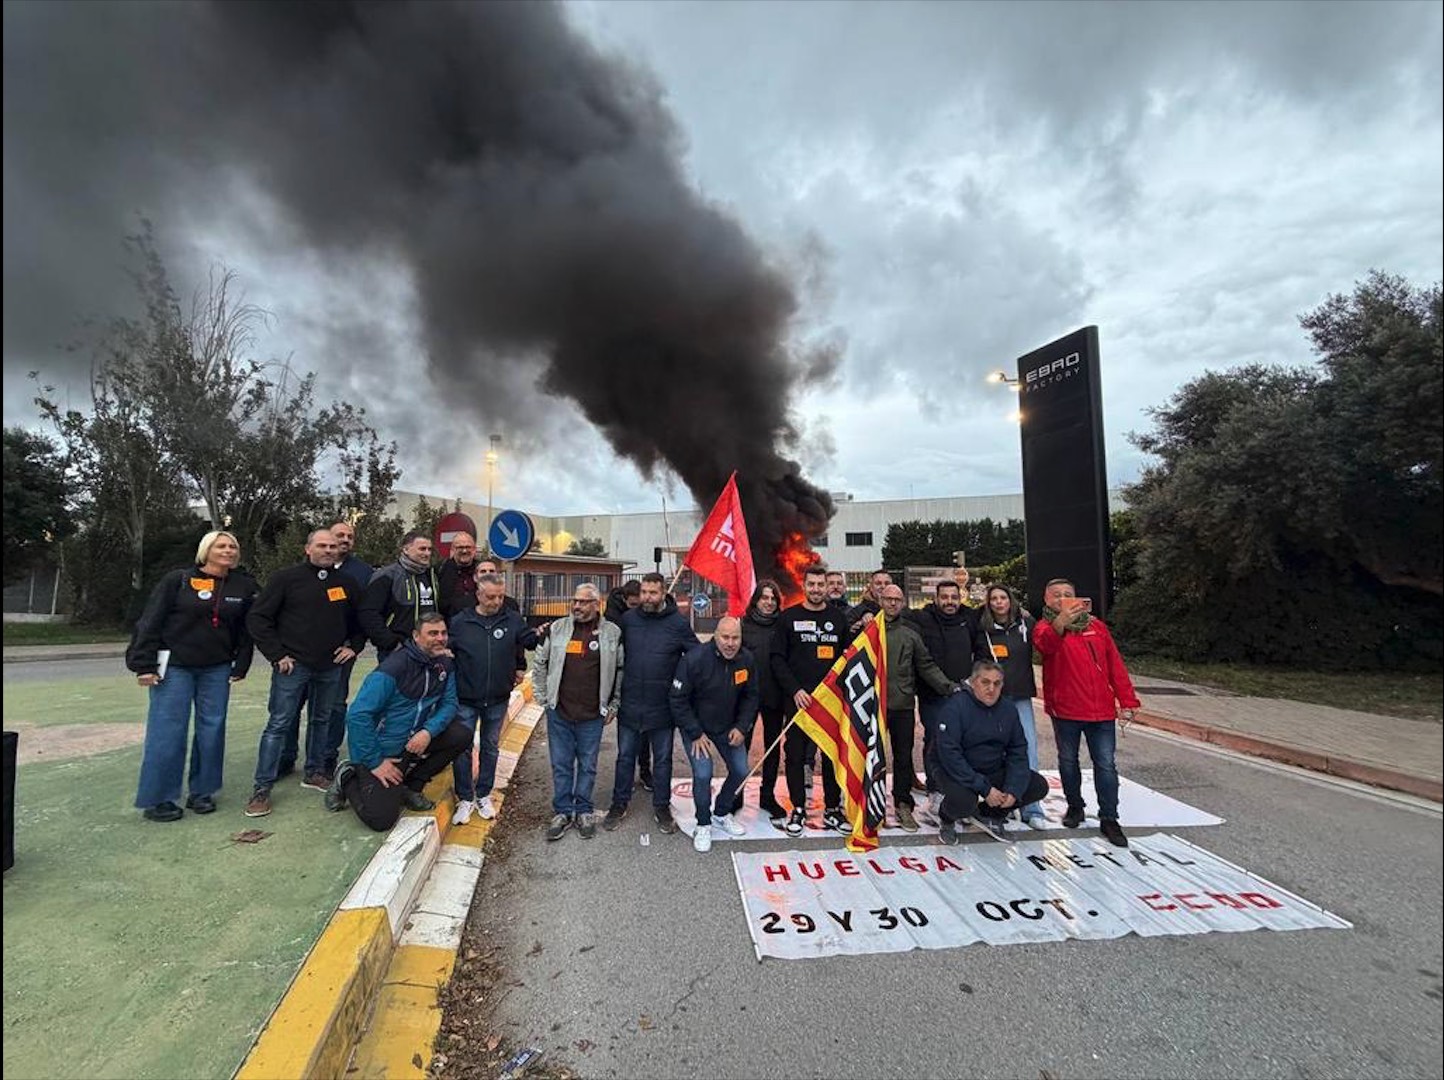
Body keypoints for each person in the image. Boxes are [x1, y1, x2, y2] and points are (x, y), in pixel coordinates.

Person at [126, 530, 258, 821]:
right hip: (175, 667)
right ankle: (159, 798)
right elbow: (150, 621)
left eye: (233, 546)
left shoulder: (244, 586)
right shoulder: (178, 580)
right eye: (221, 546)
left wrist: (241, 664)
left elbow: (247, 631)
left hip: (217, 667)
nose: (228, 551)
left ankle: (203, 792)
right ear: (206, 550)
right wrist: (143, 664)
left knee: (212, 728)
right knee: (167, 731)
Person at [245, 529, 365, 817]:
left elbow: (360, 620)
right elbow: (259, 618)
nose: (328, 550)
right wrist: (277, 655)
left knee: (321, 720)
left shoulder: (346, 583)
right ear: (307, 549)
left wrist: (355, 647)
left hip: (330, 666)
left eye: (333, 546)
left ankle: (314, 771)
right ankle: (262, 788)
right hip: (293, 666)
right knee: (279, 723)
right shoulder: (285, 579)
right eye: (321, 545)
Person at [325, 614, 471, 831]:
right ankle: (348, 777)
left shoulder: (444, 665)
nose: (440, 638)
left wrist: (428, 732)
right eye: (432, 633)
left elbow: (449, 704)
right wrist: (375, 762)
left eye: (443, 633)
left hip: (413, 740)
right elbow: (357, 716)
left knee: (461, 734)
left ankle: (412, 786)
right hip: (382, 749)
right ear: (416, 636)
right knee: (381, 820)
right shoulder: (393, 668)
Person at [1034, 577, 1140, 848]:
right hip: (1066, 709)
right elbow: (1044, 646)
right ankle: (1075, 806)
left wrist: (1128, 700)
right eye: (1056, 595)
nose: (1062, 598)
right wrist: (1061, 622)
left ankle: (1109, 817)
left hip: (1101, 710)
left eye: (1067, 594)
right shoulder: (1046, 627)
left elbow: (1115, 664)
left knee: (1105, 765)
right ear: (1047, 600)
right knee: (1068, 761)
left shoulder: (1097, 627)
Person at [603, 573, 696, 834]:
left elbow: (695, 657)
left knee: (663, 760)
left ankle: (662, 807)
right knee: (624, 757)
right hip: (630, 704)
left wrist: (684, 687)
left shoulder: (677, 623)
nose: (647, 597)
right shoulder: (628, 620)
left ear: (663, 592)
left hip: (663, 708)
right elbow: (611, 654)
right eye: (644, 592)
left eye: (653, 592)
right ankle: (618, 804)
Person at [532, 584, 623, 841]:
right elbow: (540, 663)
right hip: (559, 712)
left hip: (592, 715)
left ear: (597, 604)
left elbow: (620, 671)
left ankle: (583, 810)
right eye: (575, 601)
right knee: (561, 765)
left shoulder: (612, 632)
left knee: (587, 765)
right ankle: (562, 811)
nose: (577, 606)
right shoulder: (557, 629)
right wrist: (543, 697)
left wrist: (614, 704)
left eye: (584, 602)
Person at [448, 573, 537, 825]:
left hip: (498, 698)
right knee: (462, 748)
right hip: (465, 698)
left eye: (500, 596)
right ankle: (465, 797)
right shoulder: (460, 622)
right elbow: (446, 652)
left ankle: (483, 794)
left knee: (490, 747)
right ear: (478, 595)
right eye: (490, 597)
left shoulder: (513, 619)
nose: (496, 601)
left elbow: (529, 642)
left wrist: (541, 634)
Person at [928, 661, 1049, 845]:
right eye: (985, 682)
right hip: (953, 769)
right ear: (973, 681)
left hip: (990, 766)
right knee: (964, 802)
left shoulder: (1008, 709)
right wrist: (984, 788)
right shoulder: (955, 707)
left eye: (997, 683)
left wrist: (1013, 789)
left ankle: (989, 815)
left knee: (1037, 785)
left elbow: (1018, 750)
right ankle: (946, 818)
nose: (991, 689)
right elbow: (950, 755)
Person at [771, 565, 849, 837]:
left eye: (821, 585)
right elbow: (777, 659)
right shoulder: (788, 618)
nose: (816, 589)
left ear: (828, 587)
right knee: (794, 756)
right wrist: (795, 690)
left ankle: (832, 809)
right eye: (812, 584)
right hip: (798, 703)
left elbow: (845, 661)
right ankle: (798, 808)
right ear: (804, 586)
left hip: (829, 704)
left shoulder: (838, 619)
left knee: (830, 755)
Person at [669, 616, 759, 853]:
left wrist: (742, 727)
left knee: (741, 770)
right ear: (715, 636)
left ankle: (721, 812)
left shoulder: (747, 659)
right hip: (697, 729)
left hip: (729, 727)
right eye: (725, 637)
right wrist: (695, 733)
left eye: (735, 638)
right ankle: (703, 823)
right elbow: (677, 700)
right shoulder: (694, 660)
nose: (730, 643)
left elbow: (752, 696)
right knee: (703, 773)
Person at [877, 585, 958, 832]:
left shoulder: (910, 634)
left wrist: (949, 687)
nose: (892, 603)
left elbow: (926, 665)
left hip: (901, 706)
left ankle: (903, 804)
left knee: (903, 758)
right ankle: (870, 805)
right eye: (888, 599)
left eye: (897, 600)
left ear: (902, 603)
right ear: (880, 600)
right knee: (871, 758)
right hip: (872, 707)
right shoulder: (867, 631)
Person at [905, 579, 981, 806]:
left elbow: (1000, 612)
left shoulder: (970, 618)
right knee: (936, 742)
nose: (949, 602)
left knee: (964, 743)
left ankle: (962, 790)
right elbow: (892, 611)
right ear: (936, 599)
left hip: (964, 695)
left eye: (954, 597)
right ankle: (935, 788)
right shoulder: (922, 618)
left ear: (961, 598)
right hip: (932, 695)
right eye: (945, 597)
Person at [977, 584, 1046, 829]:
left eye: (1003, 597)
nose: (998, 602)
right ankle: (1002, 804)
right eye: (993, 598)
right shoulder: (982, 628)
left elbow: (1048, 638)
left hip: (1021, 697)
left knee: (1027, 749)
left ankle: (1031, 807)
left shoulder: (1027, 623)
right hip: (994, 699)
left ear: (1010, 600)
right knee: (995, 753)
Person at [318, 518, 373, 781]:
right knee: (297, 706)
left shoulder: (362, 572)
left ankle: (328, 757)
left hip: (343, 651)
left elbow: (366, 612)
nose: (345, 540)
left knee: (336, 705)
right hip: (307, 653)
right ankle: (289, 757)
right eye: (340, 535)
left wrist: (354, 645)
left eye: (350, 537)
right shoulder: (309, 568)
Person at [738, 580, 788, 823]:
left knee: (772, 747)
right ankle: (735, 794)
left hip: (775, 696)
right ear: (756, 600)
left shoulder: (784, 625)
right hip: (746, 697)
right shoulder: (743, 625)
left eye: (773, 599)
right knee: (740, 747)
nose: (768, 603)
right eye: (764, 598)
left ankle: (767, 796)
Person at [358, 530, 441, 660]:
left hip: (428, 648)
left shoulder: (432, 576)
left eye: (429, 549)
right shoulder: (386, 576)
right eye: (422, 549)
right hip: (397, 651)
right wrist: (390, 642)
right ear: (406, 549)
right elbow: (368, 612)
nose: (427, 553)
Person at [603, 579, 650, 790]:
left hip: (646, 678)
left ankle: (646, 771)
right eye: (632, 605)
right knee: (627, 735)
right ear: (624, 600)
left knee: (646, 734)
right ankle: (626, 777)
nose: (637, 609)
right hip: (624, 678)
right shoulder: (613, 618)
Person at [438, 531, 482, 619]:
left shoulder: (483, 569)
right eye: (460, 547)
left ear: (474, 550)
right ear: (452, 550)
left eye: (468, 547)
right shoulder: (440, 570)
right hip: (449, 625)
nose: (464, 551)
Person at [845, 569, 892, 634]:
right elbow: (848, 634)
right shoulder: (856, 612)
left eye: (887, 583)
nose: (883, 586)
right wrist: (861, 626)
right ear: (871, 587)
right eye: (878, 583)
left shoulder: (901, 610)